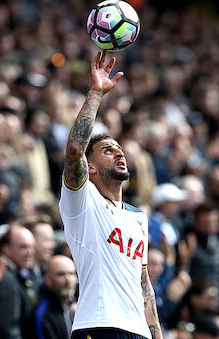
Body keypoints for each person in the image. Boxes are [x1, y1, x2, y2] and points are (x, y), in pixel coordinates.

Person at [59, 52, 162, 339]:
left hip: (138, 332)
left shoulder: (139, 217)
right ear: (89, 168)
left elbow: (144, 286)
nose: (119, 152)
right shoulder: (82, 202)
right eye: (107, 149)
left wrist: (157, 334)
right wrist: (95, 93)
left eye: (119, 148)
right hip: (98, 326)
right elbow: (73, 151)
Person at [32, 255, 77, 339]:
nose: (67, 280)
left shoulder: (76, 309)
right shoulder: (42, 313)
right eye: (61, 274)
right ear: (47, 279)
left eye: (71, 273)